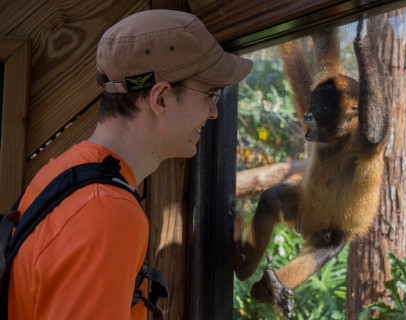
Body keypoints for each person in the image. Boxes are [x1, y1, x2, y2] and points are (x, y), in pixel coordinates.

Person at [7, 9, 252, 319]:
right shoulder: (105, 213)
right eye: (210, 93)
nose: (214, 112)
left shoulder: (63, 172)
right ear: (161, 98)